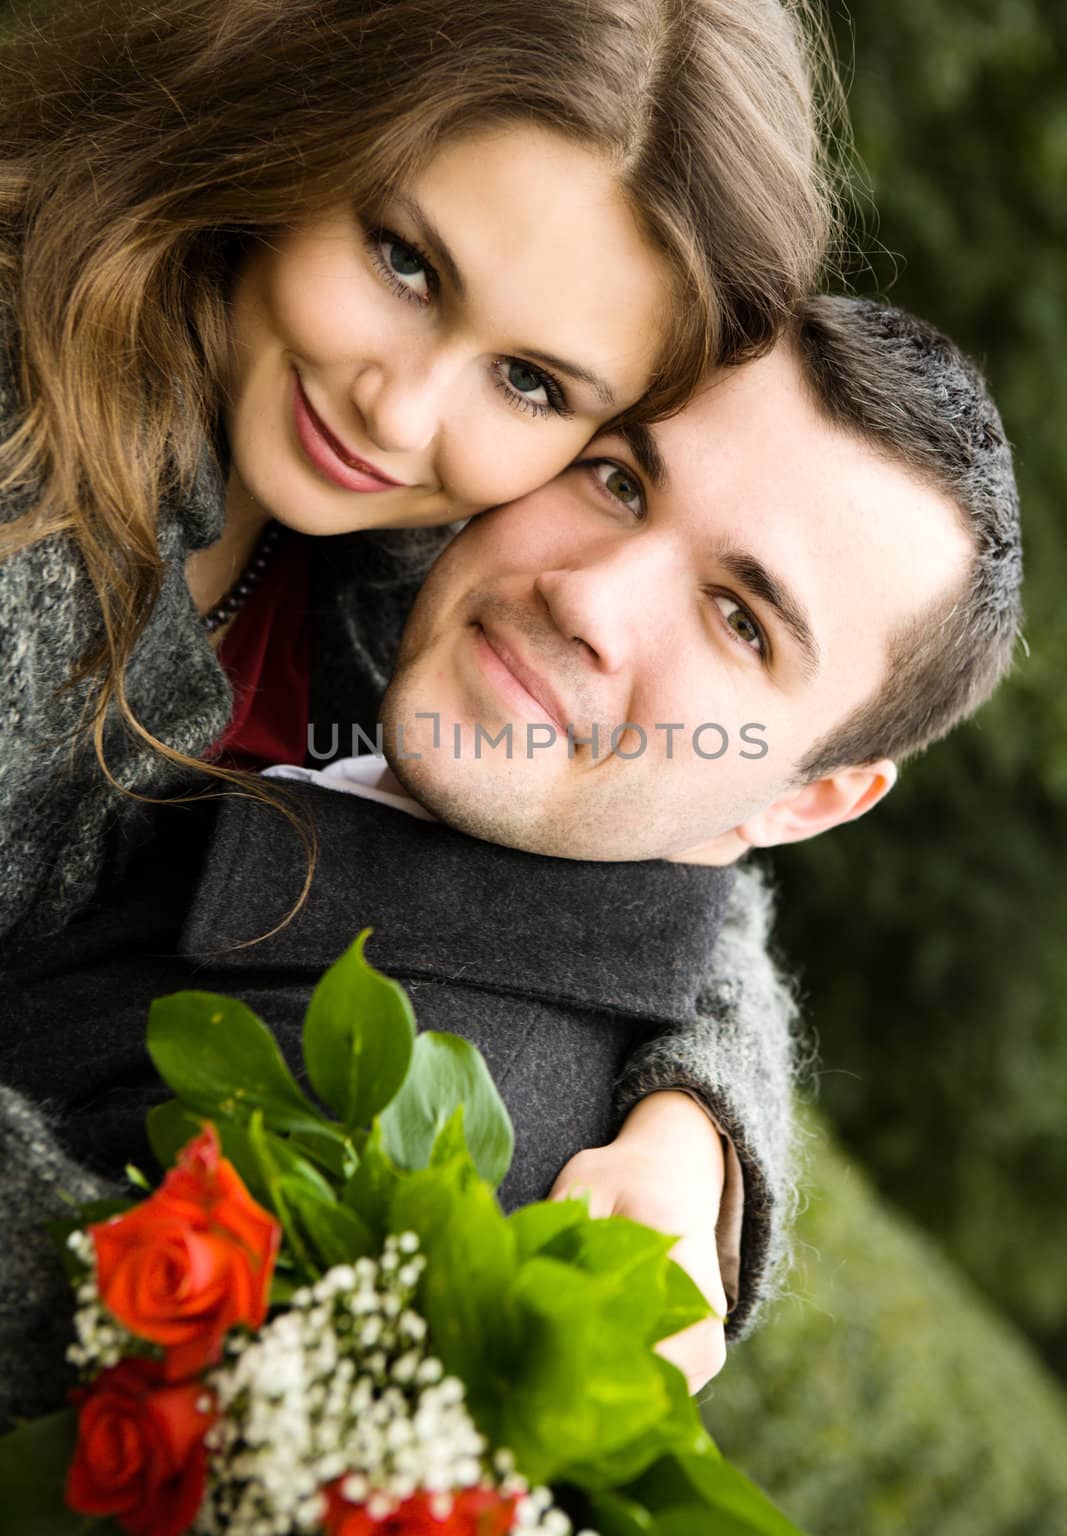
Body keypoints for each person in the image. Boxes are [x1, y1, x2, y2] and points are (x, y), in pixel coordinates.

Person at [0, 296, 1023, 1424]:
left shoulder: (393, 1165)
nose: (588, 594)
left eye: (739, 620)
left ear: (811, 796)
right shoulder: (359, 551)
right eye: (617, 480)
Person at [0, 0, 839, 949]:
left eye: (529, 383)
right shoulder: (25, 447)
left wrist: (703, 1090)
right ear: (295, 118)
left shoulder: (411, 571)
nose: (397, 415)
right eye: (404, 265)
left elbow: (664, 842)